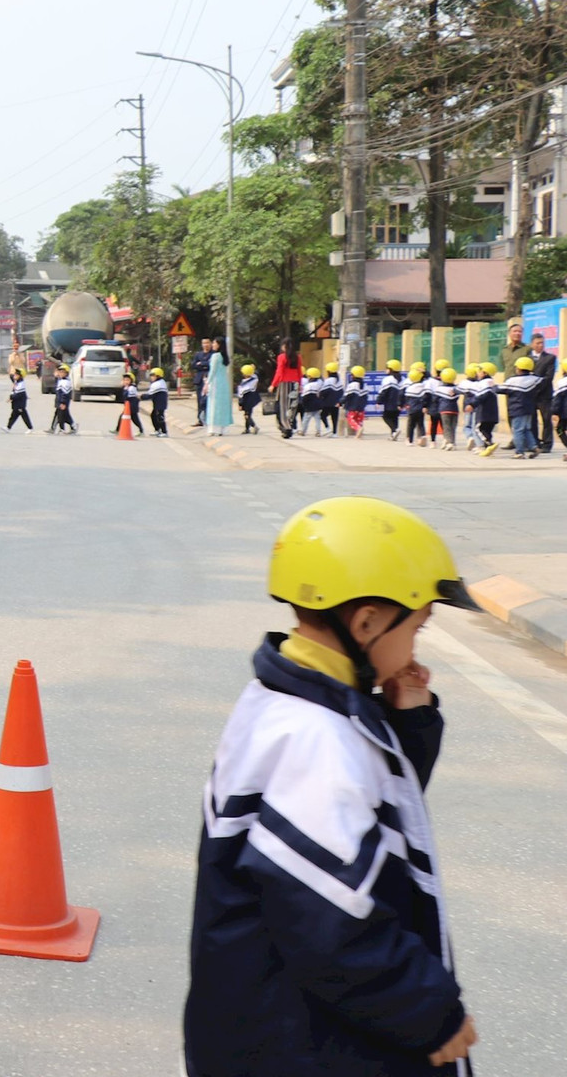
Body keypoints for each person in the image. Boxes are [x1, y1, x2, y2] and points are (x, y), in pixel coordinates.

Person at [183, 496, 480, 1077]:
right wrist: (431, 1011)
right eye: (417, 626)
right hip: (302, 1043)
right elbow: (334, 923)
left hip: (281, 1022)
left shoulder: (290, 697)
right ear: (366, 622)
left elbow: (365, 814)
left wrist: (408, 722)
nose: (416, 646)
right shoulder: (314, 739)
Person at [499, 356, 544, 459]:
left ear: (518, 368)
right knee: (527, 429)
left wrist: (492, 386)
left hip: (517, 409)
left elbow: (501, 389)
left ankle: (519, 452)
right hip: (529, 409)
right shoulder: (535, 379)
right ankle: (534, 447)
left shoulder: (513, 381)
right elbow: (543, 383)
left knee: (518, 430)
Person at [272, 339, 304, 437]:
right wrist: (300, 384)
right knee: (292, 407)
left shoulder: (282, 357)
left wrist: (274, 384)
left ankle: (286, 428)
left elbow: (279, 371)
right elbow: (300, 372)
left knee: (282, 407)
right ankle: (291, 426)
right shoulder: (298, 357)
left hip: (284, 384)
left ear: (284, 346)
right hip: (294, 384)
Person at [431, 367, 461, 452]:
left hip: (444, 409)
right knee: (453, 427)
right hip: (455, 409)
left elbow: (434, 399)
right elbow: (457, 397)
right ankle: (453, 442)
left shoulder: (439, 388)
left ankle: (449, 443)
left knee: (446, 427)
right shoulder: (456, 389)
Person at [378, 359, 403, 440]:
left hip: (389, 402)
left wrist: (379, 401)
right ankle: (393, 435)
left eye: (387, 368)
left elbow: (383, 392)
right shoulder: (402, 379)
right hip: (398, 403)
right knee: (395, 418)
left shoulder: (388, 379)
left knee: (386, 417)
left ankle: (395, 430)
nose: (386, 370)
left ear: (391, 369)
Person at [403, 365, 428, 446]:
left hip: (411, 409)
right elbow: (425, 398)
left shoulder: (409, 388)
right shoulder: (423, 386)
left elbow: (405, 398)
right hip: (420, 409)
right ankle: (422, 436)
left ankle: (409, 440)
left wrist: (404, 405)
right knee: (420, 423)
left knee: (411, 425)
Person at [295, 367, 323, 438]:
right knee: (317, 419)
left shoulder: (308, 386)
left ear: (310, 376)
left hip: (309, 405)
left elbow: (305, 397)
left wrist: (304, 404)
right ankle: (318, 432)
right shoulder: (319, 383)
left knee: (306, 419)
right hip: (317, 404)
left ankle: (303, 431)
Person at [50, 367, 77, 434]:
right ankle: (72, 426)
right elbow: (57, 387)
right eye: (59, 372)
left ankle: (63, 428)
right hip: (59, 401)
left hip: (63, 402)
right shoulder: (61, 380)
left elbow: (65, 394)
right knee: (61, 415)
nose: (60, 373)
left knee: (61, 416)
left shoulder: (66, 382)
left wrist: (62, 402)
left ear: (66, 373)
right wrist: (56, 377)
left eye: (62, 372)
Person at [235, 362, 261, 435]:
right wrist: (252, 368)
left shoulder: (243, 385)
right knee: (248, 414)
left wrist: (240, 404)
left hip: (246, 400)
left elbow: (241, 395)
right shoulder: (254, 379)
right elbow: (255, 374)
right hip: (252, 399)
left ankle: (254, 426)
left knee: (247, 415)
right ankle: (247, 429)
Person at [193, 338, 213, 427]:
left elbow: (211, 365)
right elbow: (193, 365)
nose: (206, 345)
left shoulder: (214, 354)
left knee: (208, 400)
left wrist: (201, 364)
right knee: (200, 400)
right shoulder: (198, 354)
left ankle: (208, 418)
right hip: (199, 380)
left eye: (207, 343)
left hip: (209, 379)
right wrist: (204, 364)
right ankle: (200, 419)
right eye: (204, 343)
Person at [145, 366, 170, 436]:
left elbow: (150, 395)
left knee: (160, 417)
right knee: (153, 416)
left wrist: (140, 397)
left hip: (160, 404)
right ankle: (157, 430)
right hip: (157, 403)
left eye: (153, 376)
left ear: (158, 376)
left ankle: (164, 432)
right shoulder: (158, 382)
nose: (151, 377)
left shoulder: (158, 384)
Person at [318, 362, 342, 438]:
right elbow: (341, 392)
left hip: (328, 403)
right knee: (334, 418)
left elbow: (324, 391)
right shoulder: (339, 381)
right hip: (336, 403)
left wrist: (320, 397)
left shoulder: (328, 380)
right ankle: (335, 433)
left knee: (322, 415)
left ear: (329, 371)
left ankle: (328, 428)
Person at [344, 365, 367, 438]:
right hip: (361, 407)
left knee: (351, 420)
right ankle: (359, 434)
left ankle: (358, 429)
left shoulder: (352, 385)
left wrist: (340, 402)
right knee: (359, 420)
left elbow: (347, 396)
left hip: (353, 407)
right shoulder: (365, 385)